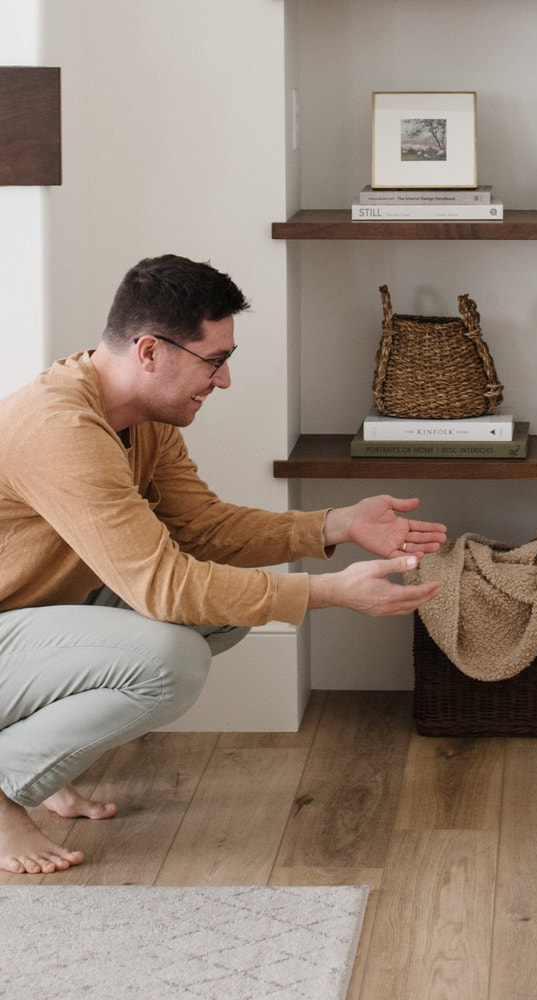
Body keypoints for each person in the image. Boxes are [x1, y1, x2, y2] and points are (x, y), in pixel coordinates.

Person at [0, 254, 447, 875]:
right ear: (150, 351)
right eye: (215, 361)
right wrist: (329, 593)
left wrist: (335, 525)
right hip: (11, 631)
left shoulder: (140, 418)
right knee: (170, 660)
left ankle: (35, 766)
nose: (225, 380)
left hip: (29, 625)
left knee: (219, 616)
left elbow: (205, 530)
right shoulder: (60, 429)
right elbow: (161, 586)